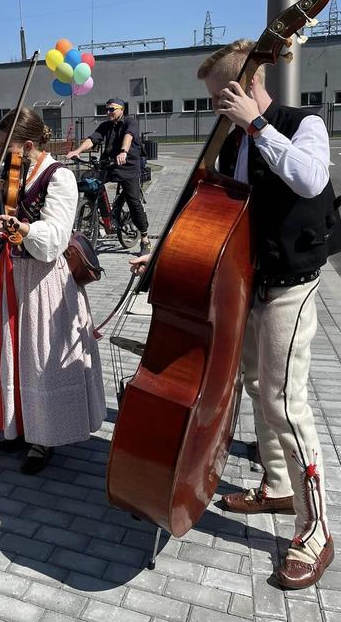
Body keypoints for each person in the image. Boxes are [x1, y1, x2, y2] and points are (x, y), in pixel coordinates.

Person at [131, 38, 341, 589]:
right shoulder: (230, 147)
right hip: (247, 282)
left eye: (219, 95)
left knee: (283, 401)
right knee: (252, 383)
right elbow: (216, 215)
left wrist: (257, 126)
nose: (214, 108)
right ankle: (277, 484)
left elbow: (311, 179)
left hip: (290, 284)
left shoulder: (303, 123)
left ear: (247, 84)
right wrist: (163, 252)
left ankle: (316, 526)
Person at [0, 108, 106, 474]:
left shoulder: (59, 177)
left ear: (28, 146)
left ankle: (43, 437)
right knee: (11, 351)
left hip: (43, 279)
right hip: (7, 275)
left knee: (39, 354)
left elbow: (56, 239)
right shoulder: (9, 176)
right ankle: (15, 423)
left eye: (5, 146)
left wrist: (23, 229)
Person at [67, 98, 150, 255]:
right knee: (89, 181)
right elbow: (93, 139)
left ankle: (145, 238)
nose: (108, 112)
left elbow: (129, 136)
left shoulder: (130, 122)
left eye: (112, 109)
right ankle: (96, 215)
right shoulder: (105, 125)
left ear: (121, 110)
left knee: (133, 201)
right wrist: (78, 151)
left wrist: (124, 151)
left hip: (128, 166)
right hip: (109, 164)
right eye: (107, 109)